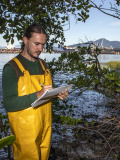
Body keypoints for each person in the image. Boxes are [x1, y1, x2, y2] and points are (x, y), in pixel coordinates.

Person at [2, 23, 69, 159]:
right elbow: (9, 104)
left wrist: (58, 94)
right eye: (37, 44)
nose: (40, 49)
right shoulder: (11, 68)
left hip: (45, 127)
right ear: (25, 40)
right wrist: (37, 94)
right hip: (24, 132)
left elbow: (47, 91)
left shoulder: (43, 65)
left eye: (43, 45)